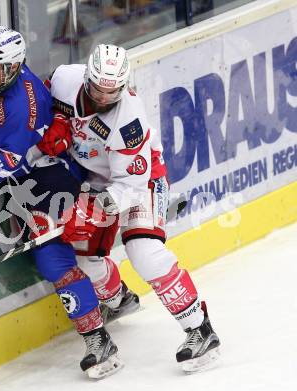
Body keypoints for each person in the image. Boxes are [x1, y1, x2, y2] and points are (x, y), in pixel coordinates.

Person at [0, 26, 123, 379]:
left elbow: (8, 167)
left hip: (47, 176)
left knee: (55, 258)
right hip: (24, 170)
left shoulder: (19, 111)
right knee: (67, 257)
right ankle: (118, 296)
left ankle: (98, 339)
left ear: (13, 69)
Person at [40, 43, 221, 373]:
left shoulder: (129, 119)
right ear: (87, 77)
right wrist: (58, 124)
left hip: (141, 180)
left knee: (143, 252)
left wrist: (93, 210)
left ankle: (200, 330)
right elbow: (43, 99)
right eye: (98, 89)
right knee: (82, 257)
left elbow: (132, 187)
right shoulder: (65, 78)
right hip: (92, 178)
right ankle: (117, 298)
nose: (105, 98)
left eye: (114, 92)